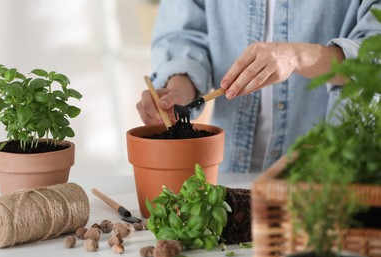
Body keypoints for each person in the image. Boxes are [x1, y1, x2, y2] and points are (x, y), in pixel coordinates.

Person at [136, 0, 381, 173]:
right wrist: (178, 87)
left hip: (330, 177)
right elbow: (184, 32)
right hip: (230, 174)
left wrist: (298, 56)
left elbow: (375, 55)